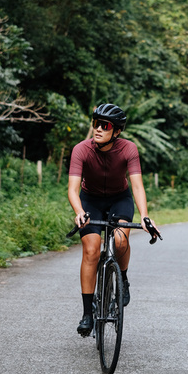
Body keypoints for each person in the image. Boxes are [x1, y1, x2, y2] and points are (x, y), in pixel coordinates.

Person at [68, 103, 159, 337]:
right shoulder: (81, 149)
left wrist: (145, 216)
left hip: (120, 198)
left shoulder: (128, 149)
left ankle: (123, 278)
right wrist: (79, 211)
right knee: (90, 250)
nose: (97, 129)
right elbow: (72, 188)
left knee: (120, 241)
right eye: (95, 123)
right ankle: (88, 313)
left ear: (116, 131)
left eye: (104, 125)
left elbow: (137, 185)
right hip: (90, 201)